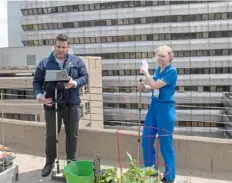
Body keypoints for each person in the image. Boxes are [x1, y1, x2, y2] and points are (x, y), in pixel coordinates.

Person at [32, 34, 88, 177]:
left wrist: (74, 83)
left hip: (72, 105)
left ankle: (71, 163)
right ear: (54, 46)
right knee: (51, 135)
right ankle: (50, 162)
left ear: (68, 47)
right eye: (58, 47)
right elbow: (36, 82)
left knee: (72, 135)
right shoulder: (44, 63)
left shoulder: (77, 61)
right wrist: (39, 96)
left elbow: (85, 77)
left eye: (64, 47)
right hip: (52, 105)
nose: (61, 50)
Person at [139, 45, 177, 183]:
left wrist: (146, 73)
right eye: (158, 55)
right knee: (146, 139)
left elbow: (155, 85)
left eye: (163, 56)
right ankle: (151, 171)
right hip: (153, 108)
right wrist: (145, 87)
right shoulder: (157, 69)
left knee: (165, 144)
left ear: (169, 57)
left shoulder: (172, 71)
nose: (160, 58)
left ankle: (169, 176)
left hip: (165, 110)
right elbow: (153, 86)